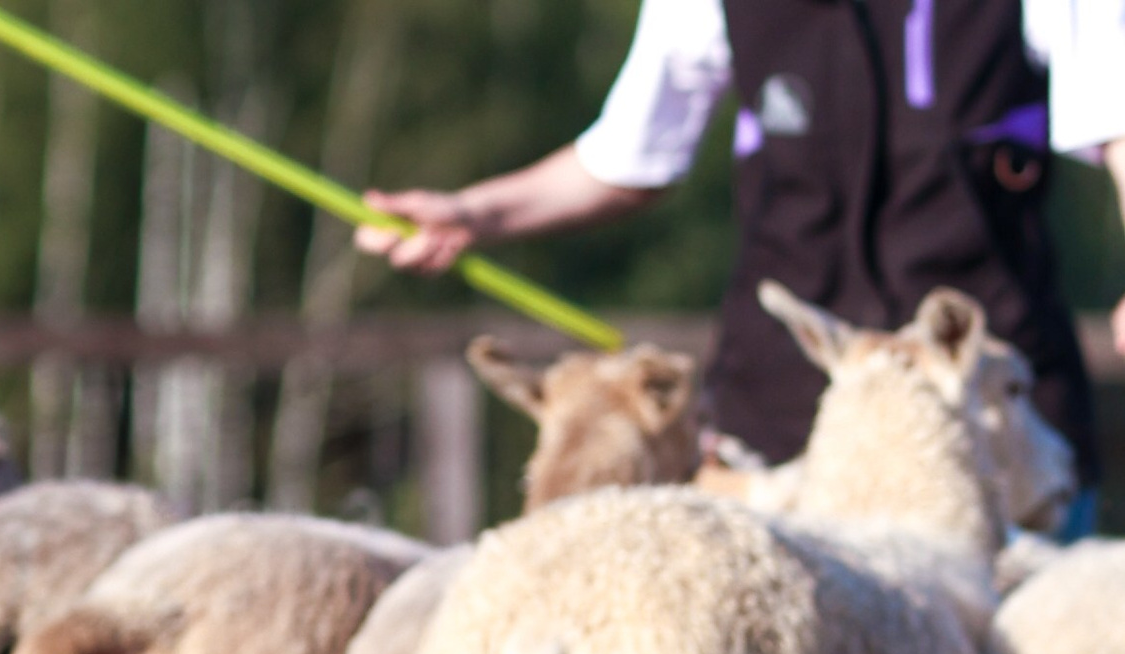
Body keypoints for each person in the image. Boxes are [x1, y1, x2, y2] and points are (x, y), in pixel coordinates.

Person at [358, 0, 1125, 533]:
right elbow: (631, 152)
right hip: (782, 443)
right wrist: (475, 214)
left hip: (991, 441)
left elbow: (1117, 116)